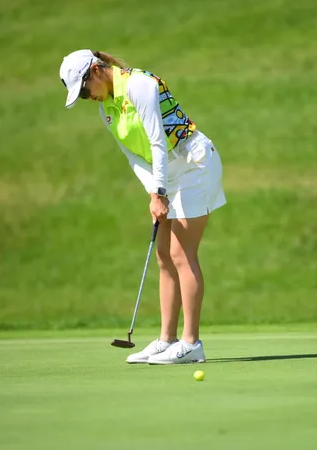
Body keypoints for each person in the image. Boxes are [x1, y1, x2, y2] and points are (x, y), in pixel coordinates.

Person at [59, 49, 226, 365]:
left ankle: (192, 343)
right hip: (167, 175)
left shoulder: (139, 85)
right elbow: (133, 155)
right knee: (164, 255)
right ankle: (166, 340)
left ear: (96, 71)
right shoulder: (107, 108)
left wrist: (159, 191)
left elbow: (157, 142)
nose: (86, 97)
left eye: (83, 90)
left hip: (194, 164)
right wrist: (154, 191)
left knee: (181, 254)